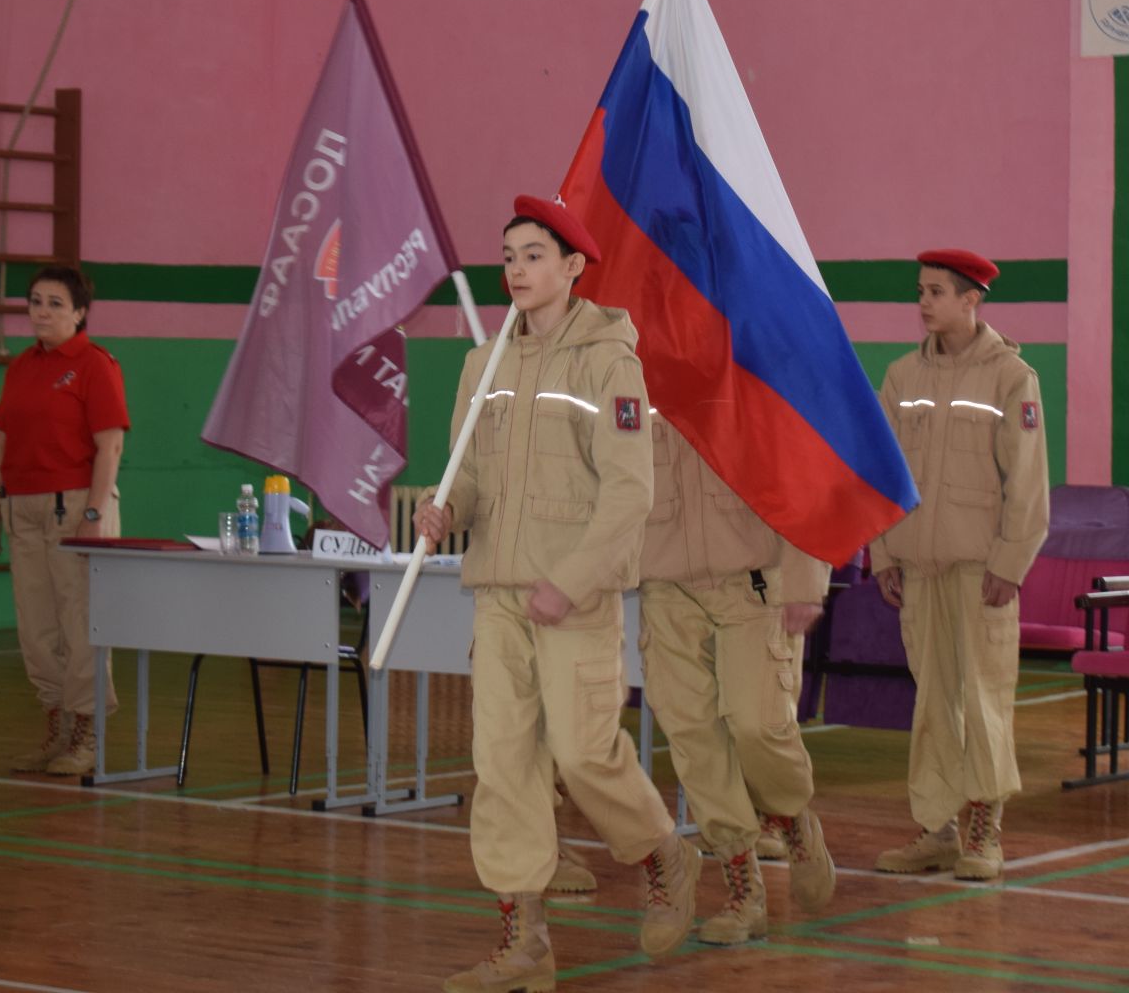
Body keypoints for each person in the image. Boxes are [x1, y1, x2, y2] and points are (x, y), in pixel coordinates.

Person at [414, 196, 697, 993]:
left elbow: (629, 493)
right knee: (502, 765)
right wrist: (450, 509)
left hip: (573, 596)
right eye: (508, 256)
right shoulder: (483, 364)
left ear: (573, 268)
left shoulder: (610, 363)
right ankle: (525, 939)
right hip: (498, 596)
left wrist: (568, 582)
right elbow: (467, 471)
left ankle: (665, 854)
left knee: (582, 752)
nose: (516, 270)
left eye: (534, 255)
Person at [868, 249, 1049, 880]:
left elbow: (1027, 481)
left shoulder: (1010, 377)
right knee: (933, 703)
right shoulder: (900, 377)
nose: (923, 302)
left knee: (983, 699)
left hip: (981, 572)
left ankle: (983, 829)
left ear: (972, 299)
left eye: (936, 292)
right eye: (920, 291)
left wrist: (1011, 561)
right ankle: (936, 828)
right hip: (921, 567)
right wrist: (884, 550)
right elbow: (885, 473)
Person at [639, 416, 837, 944]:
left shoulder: (749, 372)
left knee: (757, 726)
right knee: (695, 743)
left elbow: (806, 480)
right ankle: (742, 885)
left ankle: (791, 814)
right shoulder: (626, 370)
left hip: (750, 584)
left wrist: (805, 581)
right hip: (664, 589)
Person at [0, 265, 130, 778]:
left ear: (80, 313)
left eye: (55, 304)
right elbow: (2, 440)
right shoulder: (22, 366)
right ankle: (57, 726)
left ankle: (90, 731)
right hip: (22, 505)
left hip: (75, 505)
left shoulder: (93, 364)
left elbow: (110, 443)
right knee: (36, 626)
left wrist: (93, 512)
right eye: (35, 302)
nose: (41, 312)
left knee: (79, 619)